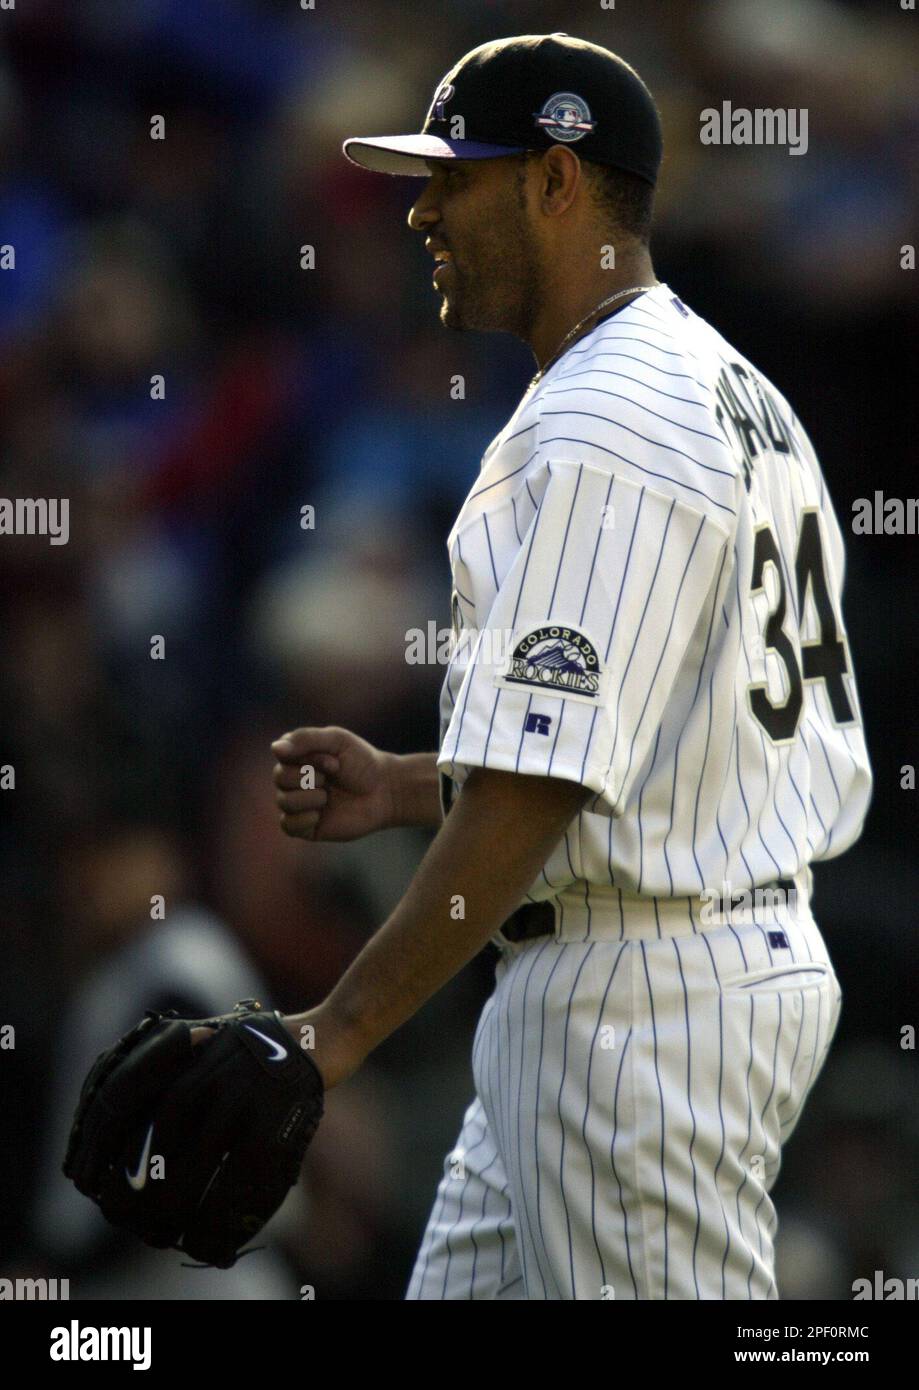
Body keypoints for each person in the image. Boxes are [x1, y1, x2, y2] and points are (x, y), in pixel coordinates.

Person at [270, 33, 872, 1299]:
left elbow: (537, 792)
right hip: (670, 957)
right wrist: (409, 782)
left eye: (457, 176)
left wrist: (331, 1036)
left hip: (637, 1000)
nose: (423, 208)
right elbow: (645, 738)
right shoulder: (723, 383)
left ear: (556, 181)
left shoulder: (608, 414)